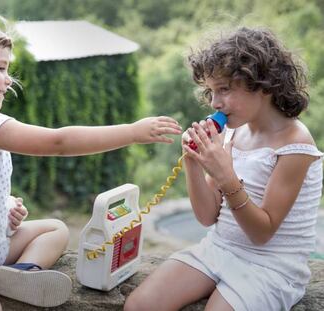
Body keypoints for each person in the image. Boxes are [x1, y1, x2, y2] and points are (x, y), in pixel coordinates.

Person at [0, 21, 182, 311]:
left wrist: (4, 204)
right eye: (1, 68)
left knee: (54, 229)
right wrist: (131, 132)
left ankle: (20, 275)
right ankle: (12, 276)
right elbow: (59, 142)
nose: (9, 80)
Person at [125, 27, 323, 311]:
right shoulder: (232, 134)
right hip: (220, 248)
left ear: (262, 84)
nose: (215, 103)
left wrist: (226, 176)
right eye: (211, 91)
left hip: (271, 266)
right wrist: (193, 162)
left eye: (224, 89)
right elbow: (207, 217)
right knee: (139, 305)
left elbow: (261, 233)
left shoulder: (295, 144)